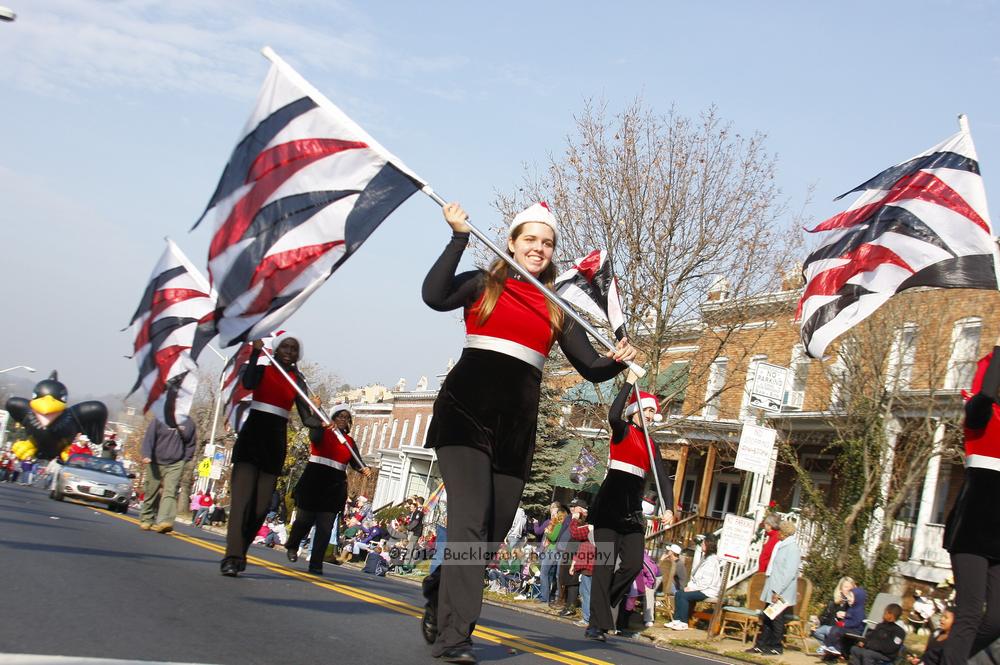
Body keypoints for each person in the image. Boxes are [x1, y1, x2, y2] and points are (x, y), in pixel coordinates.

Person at [419, 201, 636, 664]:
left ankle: (441, 586)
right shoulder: (484, 284)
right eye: (530, 239)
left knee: (491, 538)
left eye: (548, 242)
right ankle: (457, 637)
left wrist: (618, 356)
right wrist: (458, 237)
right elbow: (434, 295)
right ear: (512, 242)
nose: (539, 248)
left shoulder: (556, 306)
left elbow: (592, 367)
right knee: (470, 526)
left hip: (515, 431)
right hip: (464, 416)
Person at [220, 332, 322, 577]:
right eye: (285, 346)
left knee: (260, 507)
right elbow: (249, 383)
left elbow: (307, 419)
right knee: (241, 502)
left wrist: (316, 413)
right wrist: (255, 352)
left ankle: (241, 549)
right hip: (252, 435)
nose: (288, 350)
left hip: (275, 442)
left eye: (293, 348)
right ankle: (231, 556)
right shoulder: (263, 368)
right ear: (276, 349)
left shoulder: (298, 379)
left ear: (298, 355)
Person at [587, 374, 673, 642]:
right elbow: (614, 413)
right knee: (604, 565)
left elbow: (661, 478)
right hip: (610, 504)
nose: (650, 415)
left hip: (632, 510)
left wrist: (668, 507)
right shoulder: (622, 429)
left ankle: (602, 602)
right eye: (646, 410)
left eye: (653, 412)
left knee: (634, 563)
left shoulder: (652, 445)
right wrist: (628, 382)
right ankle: (597, 625)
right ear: (635, 411)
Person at [943, 340, 1000, 665]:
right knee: (968, 612)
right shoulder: (979, 417)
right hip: (973, 528)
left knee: (996, 620)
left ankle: (946, 656)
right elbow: (985, 396)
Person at [285, 405, 370, 575]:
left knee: (325, 527)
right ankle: (293, 545)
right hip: (314, 481)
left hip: (334, 486)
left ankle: (316, 563)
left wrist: (364, 469)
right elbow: (314, 433)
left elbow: (356, 462)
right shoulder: (321, 432)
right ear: (332, 418)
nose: (343, 419)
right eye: (339, 416)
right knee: (304, 521)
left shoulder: (349, 441)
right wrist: (316, 410)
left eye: (346, 417)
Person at [748, 520, 802, 656]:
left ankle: (776, 647)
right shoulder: (781, 545)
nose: (777, 533)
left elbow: (789, 573)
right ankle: (762, 645)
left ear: (784, 532)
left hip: (780, 591)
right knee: (767, 617)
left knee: (776, 619)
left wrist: (778, 591)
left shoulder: (792, 548)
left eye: (779, 531)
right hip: (773, 587)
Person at [138, 416, 196, 533]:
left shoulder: (189, 423)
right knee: (151, 491)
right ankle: (147, 518)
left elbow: (191, 444)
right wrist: (147, 454)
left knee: (171, 490)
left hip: (176, 463)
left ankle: (165, 521)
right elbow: (149, 438)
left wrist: (184, 459)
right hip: (154, 460)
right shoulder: (159, 418)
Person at [664, 535, 722, 631]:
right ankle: (677, 620)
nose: (702, 545)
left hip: (708, 590)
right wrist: (690, 586)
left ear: (708, 545)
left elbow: (706, 582)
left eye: (703, 543)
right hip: (701, 588)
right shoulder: (706, 558)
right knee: (679, 593)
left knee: (684, 596)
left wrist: (692, 588)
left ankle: (683, 622)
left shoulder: (711, 561)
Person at [821, 577, 868, 656]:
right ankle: (827, 646)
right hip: (848, 628)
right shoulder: (852, 608)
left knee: (839, 631)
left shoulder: (859, 611)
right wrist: (843, 619)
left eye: (851, 597)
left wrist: (844, 624)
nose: (848, 598)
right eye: (849, 596)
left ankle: (836, 648)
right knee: (834, 629)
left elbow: (856, 622)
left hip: (855, 630)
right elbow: (848, 616)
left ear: (858, 599)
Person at [558, 499, 589, 617]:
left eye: (574, 507)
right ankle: (566, 605)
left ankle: (571, 607)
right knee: (565, 579)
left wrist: (575, 518)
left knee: (572, 581)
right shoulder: (574, 518)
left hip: (576, 553)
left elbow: (574, 532)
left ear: (580, 509)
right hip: (569, 551)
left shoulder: (583, 520)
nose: (572, 509)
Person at [813, 577, 856, 645]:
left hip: (842, 630)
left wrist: (846, 614)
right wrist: (818, 621)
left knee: (822, 631)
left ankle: (830, 647)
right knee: (816, 632)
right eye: (846, 587)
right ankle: (829, 646)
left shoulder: (853, 604)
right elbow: (825, 616)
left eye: (851, 588)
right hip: (831, 627)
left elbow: (856, 618)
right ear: (840, 589)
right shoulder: (833, 602)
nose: (848, 590)